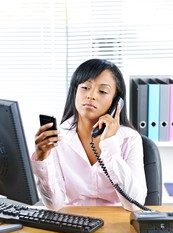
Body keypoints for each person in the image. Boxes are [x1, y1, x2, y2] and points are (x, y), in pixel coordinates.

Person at [31, 58, 147, 211]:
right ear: (75, 91)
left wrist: (110, 145)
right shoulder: (59, 138)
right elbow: (54, 204)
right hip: (74, 223)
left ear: (116, 102)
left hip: (117, 225)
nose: (91, 95)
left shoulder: (129, 139)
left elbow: (134, 204)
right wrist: (42, 159)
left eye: (102, 91)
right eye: (85, 87)